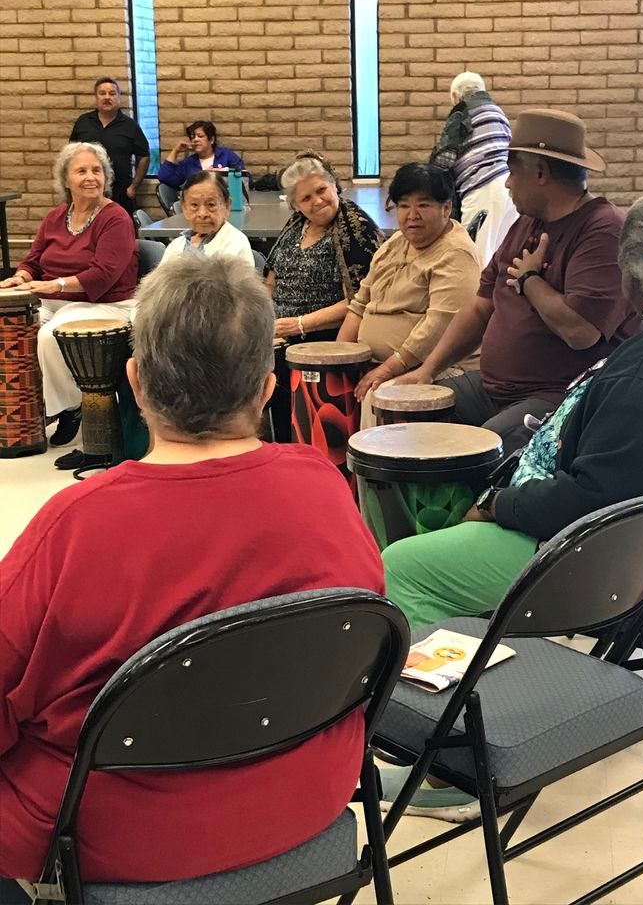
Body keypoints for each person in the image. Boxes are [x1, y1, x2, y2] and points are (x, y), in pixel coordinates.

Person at [0, 255, 385, 895]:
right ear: (267, 389)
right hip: (308, 795)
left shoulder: (74, 523)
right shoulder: (327, 489)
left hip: (108, 835)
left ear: (135, 382)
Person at [380, 189, 643, 820]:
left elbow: (594, 499)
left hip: (620, 561)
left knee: (405, 566)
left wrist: (501, 505)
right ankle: (484, 674)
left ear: (637, 276)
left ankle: (454, 759)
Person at [396, 108, 640, 453]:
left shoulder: (603, 230)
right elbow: (481, 307)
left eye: (512, 171)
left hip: (557, 396)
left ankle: (475, 508)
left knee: (483, 449)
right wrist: (428, 370)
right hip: (494, 388)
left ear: (540, 173)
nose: (507, 183)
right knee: (410, 412)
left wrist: (530, 280)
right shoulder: (527, 222)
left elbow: (581, 332)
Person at [0, 142, 137, 462]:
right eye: (82, 171)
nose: (91, 177)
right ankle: (26, 414)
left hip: (105, 302)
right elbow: (32, 261)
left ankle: (69, 408)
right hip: (52, 298)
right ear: (66, 179)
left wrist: (56, 284)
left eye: (97, 170)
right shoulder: (55, 217)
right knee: (13, 334)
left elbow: (103, 275)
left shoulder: (116, 217)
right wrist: (20, 277)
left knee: (49, 336)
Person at [336, 163, 482, 418]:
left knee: (379, 393)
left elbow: (438, 326)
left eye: (423, 205)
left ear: (446, 208)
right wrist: (339, 360)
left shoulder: (456, 253)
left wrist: (388, 368)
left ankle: (370, 459)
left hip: (437, 367)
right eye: (403, 205)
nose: (412, 214)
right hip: (380, 363)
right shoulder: (395, 242)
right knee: (328, 382)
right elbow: (359, 305)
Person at [265, 150, 385, 440]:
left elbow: (362, 300)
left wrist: (300, 324)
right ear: (295, 205)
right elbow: (270, 279)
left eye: (321, 190)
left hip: (326, 339)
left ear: (334, 186)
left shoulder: (357, 230)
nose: (317, 201)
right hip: (280, 334)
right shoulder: (295, 227)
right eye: (306, 198)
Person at [430, 71, 517, 265]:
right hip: (510, 188)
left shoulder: (463, 112)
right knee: (502, 254)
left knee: (473, 256)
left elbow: (444, 158)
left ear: (455, 96)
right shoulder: (498, 113)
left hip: (481, 188)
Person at [69, 77, 149, 218]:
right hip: (87, 191)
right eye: (102, 93)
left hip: (120, 193)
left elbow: (144, 156)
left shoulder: (130, 126)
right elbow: (71, 155)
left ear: (118, 98)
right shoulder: (83, 122)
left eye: (112, 94)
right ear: (96, 97)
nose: (107, 97)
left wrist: (134, 186)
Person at [159, 170, 254, 270]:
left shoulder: (236, 244)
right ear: (184, 208)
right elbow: (158, 284)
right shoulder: (176, 245)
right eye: (194, 205)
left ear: (227, 206)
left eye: (211, 205)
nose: (202, 214)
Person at [157, 120, 248, 189]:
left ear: (211, 140)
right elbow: (164, 178)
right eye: (192, 137)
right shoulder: (188, 163)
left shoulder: (227, 156)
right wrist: (175, 151)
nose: (195, 140)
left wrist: (223, 174)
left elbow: (246, 180)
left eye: (200, 136)